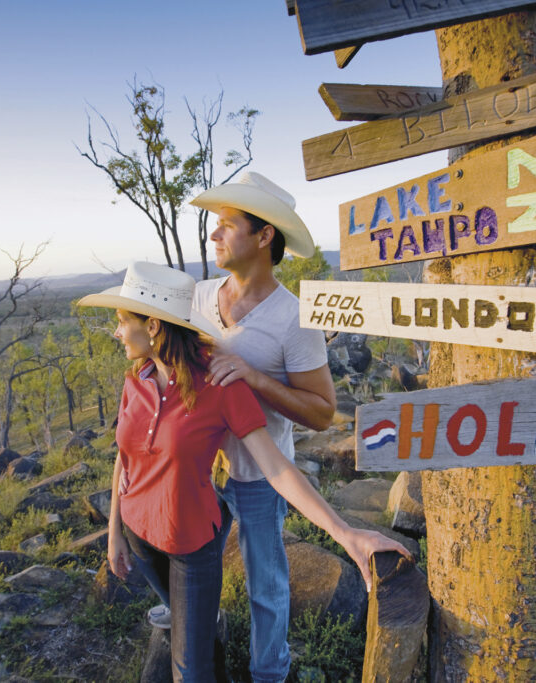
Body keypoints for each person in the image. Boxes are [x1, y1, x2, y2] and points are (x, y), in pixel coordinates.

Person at [79, 261, 407, 682]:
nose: (117, 332)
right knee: (190, 630)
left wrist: (345, 533)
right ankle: (201, 629)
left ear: (155, 327)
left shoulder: (219, 386)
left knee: (189, 674)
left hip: (189, 548)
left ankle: (242, 658)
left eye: (123, 322)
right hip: (140, 538)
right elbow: (124, 458)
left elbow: (276, 467)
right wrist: (114, 532)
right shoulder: (136, 377)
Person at [188, 171, 335, 682]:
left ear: (264, 235)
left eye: (227, 225)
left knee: (264, 586)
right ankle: (202, 651)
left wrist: (254, 379)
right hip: (201, 470)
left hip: (260, 474)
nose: (214, 235)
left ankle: (270, 673)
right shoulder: (201, 297)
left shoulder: (295, 319)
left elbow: (322, 412)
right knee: (192, 573)